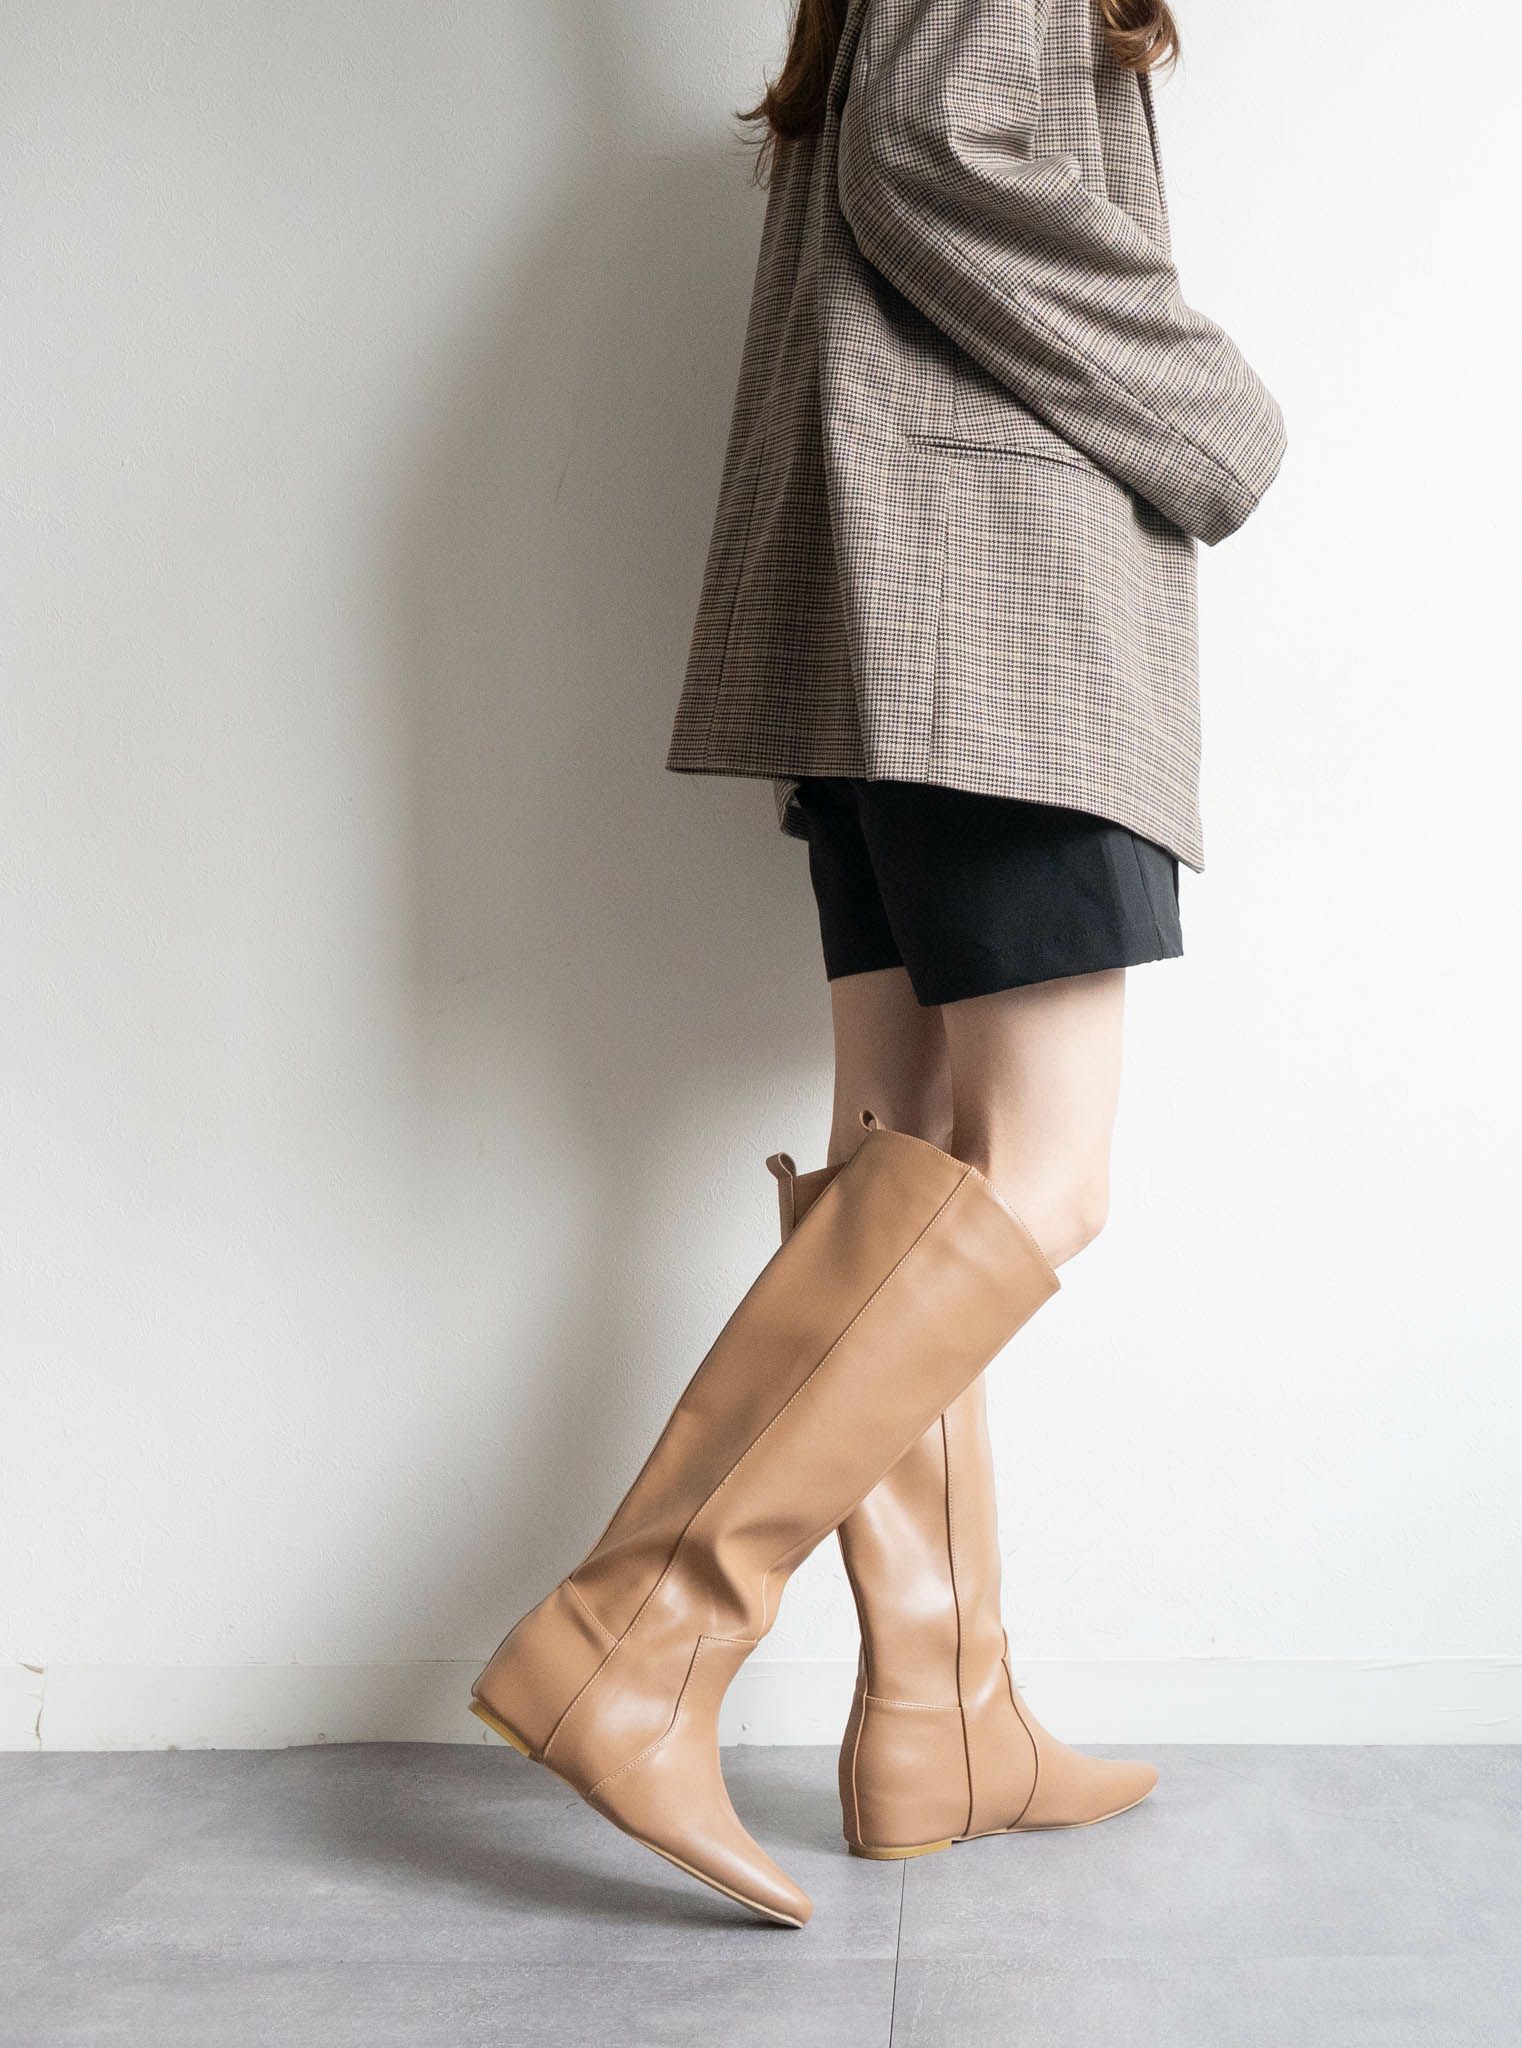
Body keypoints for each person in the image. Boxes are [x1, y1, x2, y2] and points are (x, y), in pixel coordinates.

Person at [469, 0, 1284, 1927]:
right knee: (1035, 1176)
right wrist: (1212, 411)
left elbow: (898, 143)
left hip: (894, 609)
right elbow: (936, 150)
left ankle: (946, 1711)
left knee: (906, 1166)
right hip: (998, 617)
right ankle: (638, 1636)